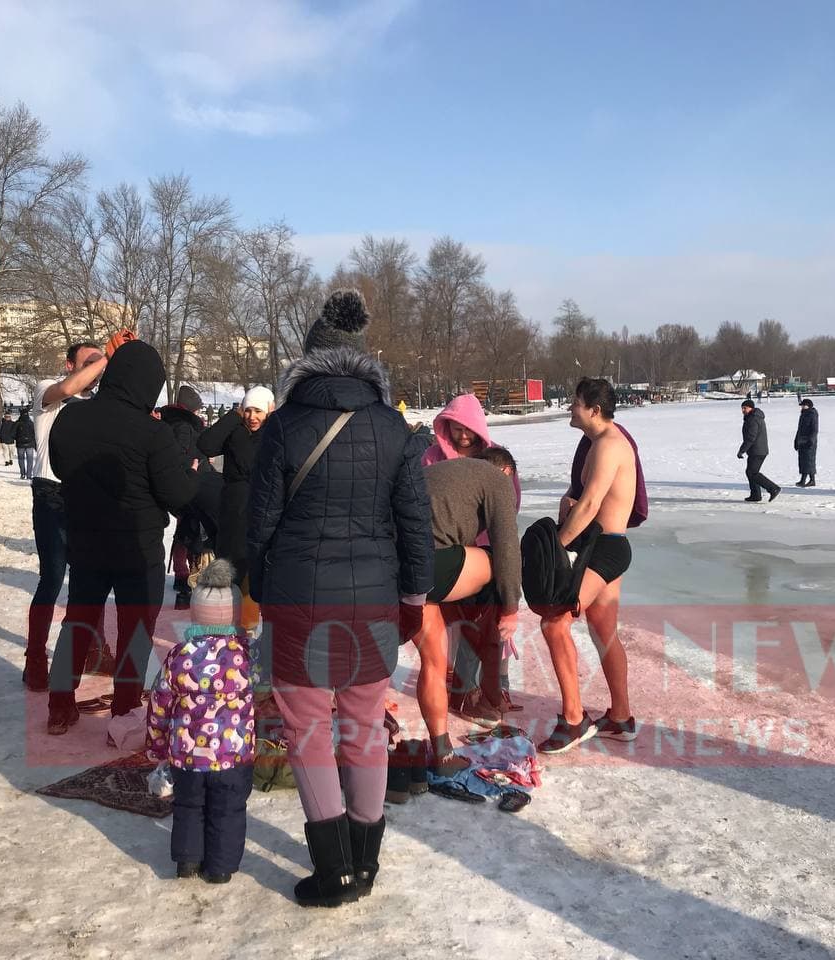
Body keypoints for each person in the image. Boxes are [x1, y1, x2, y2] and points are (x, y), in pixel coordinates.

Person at [247, 288, 433, 907]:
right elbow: (415, 525)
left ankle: (334, 873)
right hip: (375, 599)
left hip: (297, 596)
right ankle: (365, 861)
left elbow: (260, 522)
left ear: (309, 359)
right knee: (364, 726)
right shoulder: (395, 428)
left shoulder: (282, 426)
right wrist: (413, 599)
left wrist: (260, 586)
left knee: (306, 729)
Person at [45, 338, 199, 738]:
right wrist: (189, 472)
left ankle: (59, 704)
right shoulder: (153, 433)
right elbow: (178, 495)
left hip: (85, 539)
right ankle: (125, 708)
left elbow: (60, 468)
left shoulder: (71, 417)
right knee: (135, 629)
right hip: (137, 546)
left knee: (79, 619)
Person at [538, 377, 639, 754]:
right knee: (603, 629)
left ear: (594, 410)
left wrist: (557, 546)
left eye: (575, 402)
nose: (569, 407)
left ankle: (573, 719)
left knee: (554, 622)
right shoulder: (598, 443)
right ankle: (621, 717)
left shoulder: (609, 444)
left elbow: (592, 503)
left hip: (604, 549)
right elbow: (585, 498)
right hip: (607, 545)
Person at [147, 559, 257, 884]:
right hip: (233, 756)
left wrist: (157, 745)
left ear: (195, 614)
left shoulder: (179, 655)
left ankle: (187, 861)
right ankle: (220, 868)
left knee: (189, 807)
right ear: (234, 615)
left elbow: (160, 702)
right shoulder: (248, 656)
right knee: (228, 811)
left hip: (187, 756)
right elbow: (265, 697)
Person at [418, 447, 522, 747]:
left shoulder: (443, 473)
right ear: (505, 472)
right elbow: (507, 547)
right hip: (429, 565)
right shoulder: (498, 479)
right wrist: (511, 607)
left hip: (390, 565)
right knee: (493, 567)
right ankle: (484, 694)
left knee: (433, 661)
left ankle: (442, 746)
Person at [22, 340, 108, 692]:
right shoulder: (49, 391)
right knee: (53, 578)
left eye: (100, 364)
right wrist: (107, 358)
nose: (97, 369)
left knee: (90, 579)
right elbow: (68, 389)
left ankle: (91, 651)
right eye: (90, 362)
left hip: (85, 495)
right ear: (70, 364)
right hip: (50, 493)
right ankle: (35, 659)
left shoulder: (98, 405)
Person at [198, 385, 274, 630]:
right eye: (248, 410)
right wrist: (233, 416)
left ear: (269, 411)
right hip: (232, 510)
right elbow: (206, 444)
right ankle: (226, 624)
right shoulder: (235, 430)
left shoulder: (274, 433)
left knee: (253, 571)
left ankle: (248, 627)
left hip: (261, 509)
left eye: (258, 411)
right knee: (230, 568)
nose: (252, 417)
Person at [160, 384, 220, 609]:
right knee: (191, 534)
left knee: (186, 532)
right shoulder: (184, 427)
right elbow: (182, 454)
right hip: (190, 484)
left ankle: (183, 575)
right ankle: (186, 576)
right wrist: (196, 467)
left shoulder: (174, 424)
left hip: (186, 483)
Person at [737, 400, 781, 503]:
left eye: (745, 408)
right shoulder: (753, 417)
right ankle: (755, 495)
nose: (743, 410)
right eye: (742, 408)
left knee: (752, 472)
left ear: (751, 408)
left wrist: (742, 450)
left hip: (757, 450)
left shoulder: (753, 419)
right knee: (750, 472)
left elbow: (751, 437)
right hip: (757, 450)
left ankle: (773, 488)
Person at [793, 398, 818, 487]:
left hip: (809, 441)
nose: (802, 407)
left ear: (808, 406)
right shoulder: (803, 414)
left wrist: (811, 440)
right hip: (802, 441)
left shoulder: (812, 414)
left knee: (809, 460)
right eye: (802, 406)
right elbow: (799, 429)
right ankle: (804, 480)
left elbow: (814, 429)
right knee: (803, 461)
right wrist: (796, 440)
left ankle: (811, 480)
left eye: (804, 405)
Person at [14, 409, 37, 480]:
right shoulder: (31, 423)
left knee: (21, 459)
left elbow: (12, 433)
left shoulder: (17, 423)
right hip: (30, 444)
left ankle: (22, 474)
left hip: (20, 444)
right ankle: (29, 475)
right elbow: (35, 433)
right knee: (30, 460)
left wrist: (17, 438)